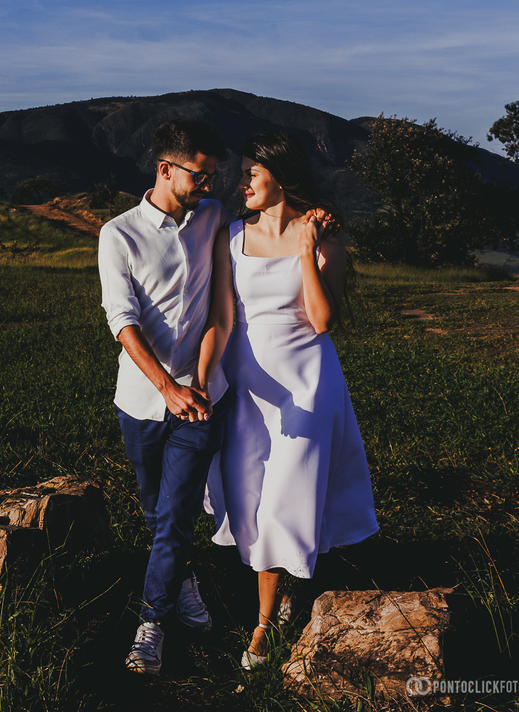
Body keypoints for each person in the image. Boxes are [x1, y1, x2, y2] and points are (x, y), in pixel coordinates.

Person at [200, 130, 378, 669]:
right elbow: (223, 317)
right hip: (250, 388)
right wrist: (206, 380)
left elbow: (323, 320)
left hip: (306, 383)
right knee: (251, 497)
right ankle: (285, 594)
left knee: (285, 497)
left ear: (279, 174)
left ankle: (261, 628)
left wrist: (306, 252)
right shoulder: (231, 236)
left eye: (252, 172)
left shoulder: (323, 237)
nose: (242, 182)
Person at [98, 120, 232, 676]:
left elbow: (274, 215)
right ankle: (185, 578)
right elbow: (122, 321)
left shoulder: (214, 218)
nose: (207, 184)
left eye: (212, 176)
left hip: (200, 397)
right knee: (158, 511)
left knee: (175, 512)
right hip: (141, 398)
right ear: (165, 169)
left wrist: (320, 216)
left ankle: (150, 623)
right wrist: (165, 388)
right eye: (199, 175)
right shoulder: (119, 234)